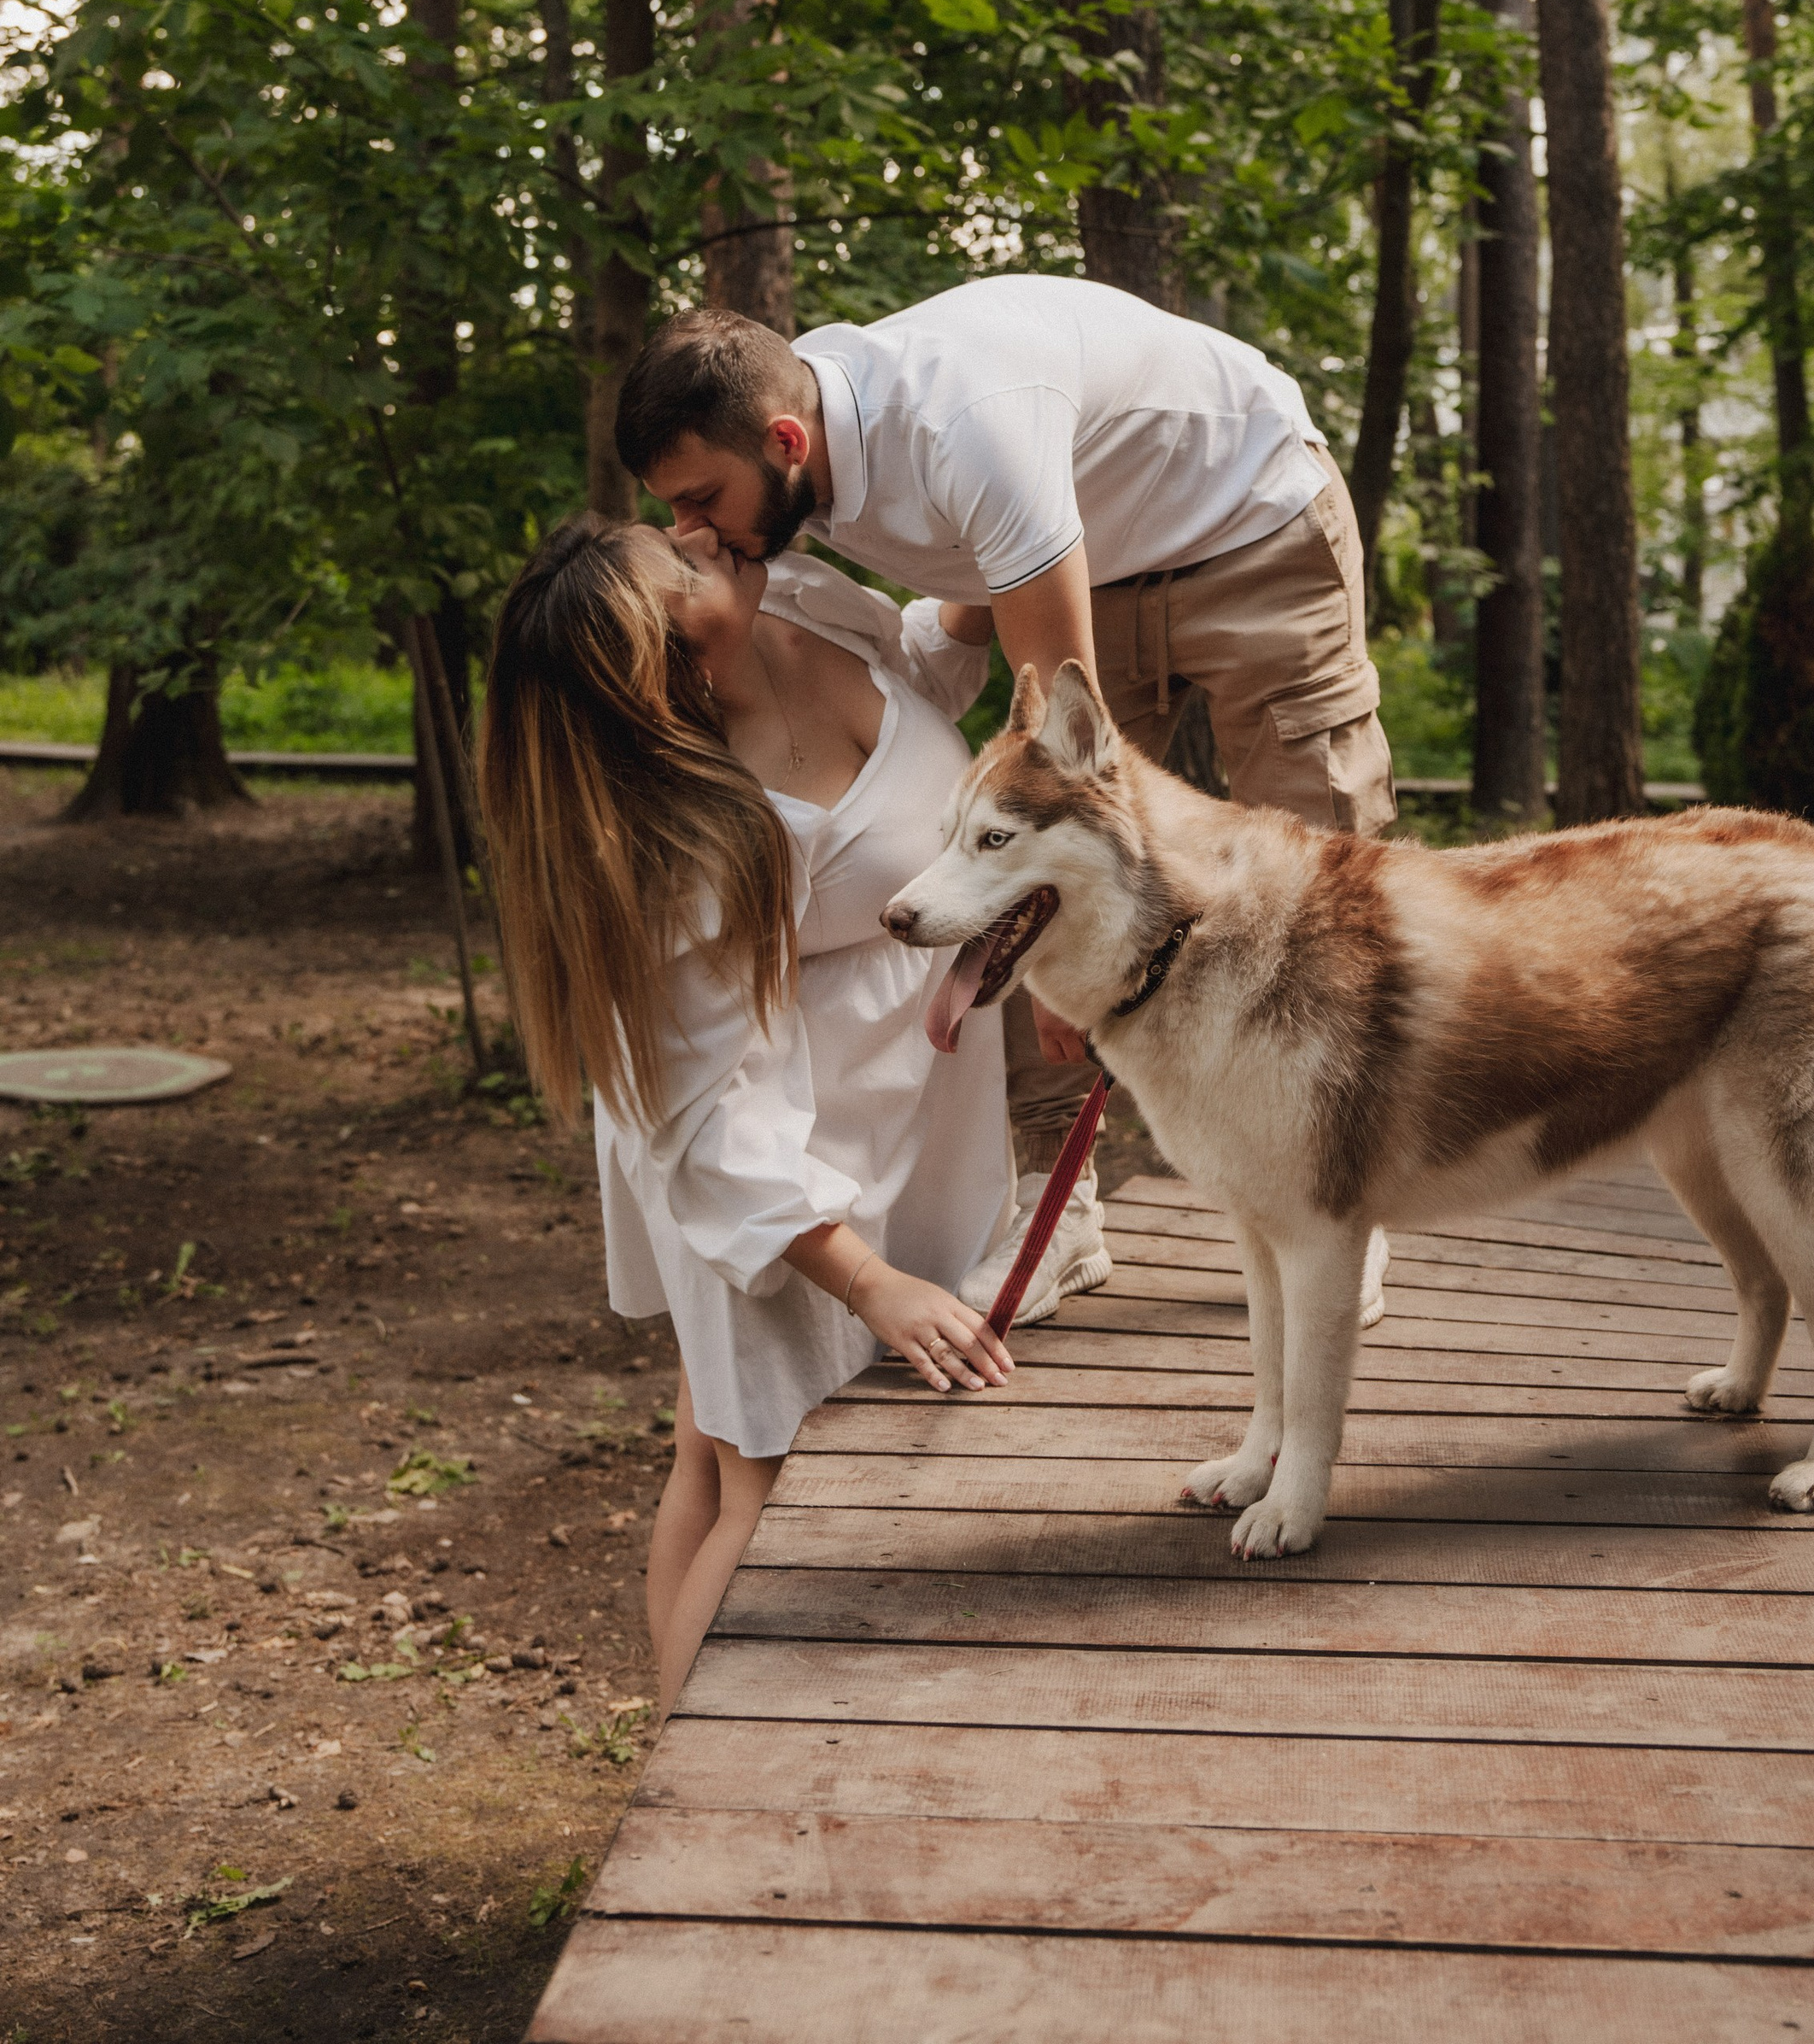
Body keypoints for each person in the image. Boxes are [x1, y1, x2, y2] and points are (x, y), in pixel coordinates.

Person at [611, 273, 1396, 1325]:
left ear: (786, 442)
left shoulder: (961, 423)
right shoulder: (801, 475)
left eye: (701, 500)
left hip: (1254, 529)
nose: (691, 530)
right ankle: (1055, 1207)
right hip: (1095, 563)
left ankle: (1339, 1200)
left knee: (1318, 872)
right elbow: (966, 604)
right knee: (1008, 867)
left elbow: (1062, 773)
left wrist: (1050, 935)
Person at [477, 512, 1014, 1709]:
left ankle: (669, 1777)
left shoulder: (797, 598)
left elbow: (916, 675)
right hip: (781, 1169)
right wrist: (867, 1278)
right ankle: (683, 1813)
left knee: (712, 1452)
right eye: (677, 570)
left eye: (669, 535)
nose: (697, 538)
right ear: (677, 672)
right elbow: (709, 1113)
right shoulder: (691, 836)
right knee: (765, 1486)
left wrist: (988, 590)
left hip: (898, 1110)